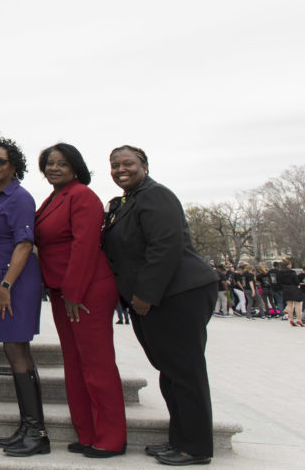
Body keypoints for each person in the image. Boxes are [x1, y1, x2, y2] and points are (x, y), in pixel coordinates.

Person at [102, 145, 219, 466]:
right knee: (170, 371)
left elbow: (165, 246)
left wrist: (145, 295)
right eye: (115, 165)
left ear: (145, 166)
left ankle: (194, 448)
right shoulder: (127, 201)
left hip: (179, 293)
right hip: (156, 296)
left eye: (129, 164)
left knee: (185, 371)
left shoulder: (155, 195)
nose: (121, 169)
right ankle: (179, 439)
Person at [34, 143, 126, 458]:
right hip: (62, 292)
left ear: (75, 167)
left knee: (96, 364)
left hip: (86, 291)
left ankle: (111, 438)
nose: (53, 168)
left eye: (61, 163)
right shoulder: (53, 199)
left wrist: (73, 292)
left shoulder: (82, 196)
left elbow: (84, 245)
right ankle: (87, 432)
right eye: (49, 163)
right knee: (74, 364)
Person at [0, 138, 48, 457]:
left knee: (17, 351)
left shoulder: (19, 197)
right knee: (14, 351)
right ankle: (28, 426)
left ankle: (37, 432)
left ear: (14, 165)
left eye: (1, 161)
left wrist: (6, 286)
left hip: (15, 282)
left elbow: (23, 244)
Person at [275, 259, 303, 326]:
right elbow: (297, 282)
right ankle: (299, 320)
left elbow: (278, 282)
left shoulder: (279, 273)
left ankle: (291, 319)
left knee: (289, 305)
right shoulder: (292, 272)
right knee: (297, 305)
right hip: (294, 289)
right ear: (288, 265)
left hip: (285, 290)